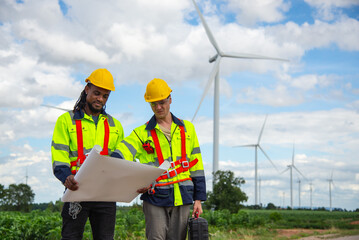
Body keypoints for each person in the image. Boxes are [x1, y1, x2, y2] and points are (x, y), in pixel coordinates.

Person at [116, 78, 206, 240]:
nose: (158, 107)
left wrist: (198, 199)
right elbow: (122, 153)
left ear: (170, 99)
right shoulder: (141, 133)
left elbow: (197, 165)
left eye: (162, 102)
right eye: (153, 104)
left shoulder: (188, 129)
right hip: (155, 198)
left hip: (183, 197)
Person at [51, 68, 124, 240]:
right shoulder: (66, 121)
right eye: (97, 93)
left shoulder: (116, 126)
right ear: (87, 89)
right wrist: (66, 176)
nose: (100, 99)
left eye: (105, 96)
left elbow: (122, 160)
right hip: (77, 190)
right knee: (70, 237)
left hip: (106, 194)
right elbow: (59, 155)